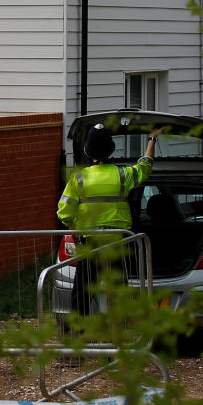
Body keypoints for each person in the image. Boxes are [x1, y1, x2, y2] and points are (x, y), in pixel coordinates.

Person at [57, 124, 162, 313]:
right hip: (118, 241)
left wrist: (76, 230)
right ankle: (121, 331)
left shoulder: (79, 178)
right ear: (111, 150)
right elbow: (145, 167)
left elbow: (64, 213)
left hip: (90, 242)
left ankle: (76, 333)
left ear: (87, 151)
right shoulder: (122, 175)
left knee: (82, 289)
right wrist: (152, 139)